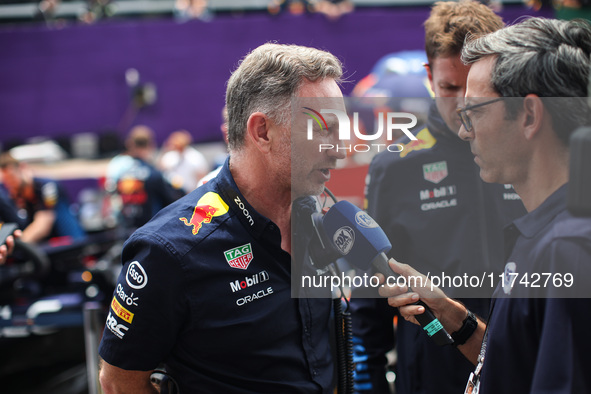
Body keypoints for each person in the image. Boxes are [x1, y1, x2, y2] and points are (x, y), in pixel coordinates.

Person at [98, 43, 346, 393]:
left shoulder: (317, 220)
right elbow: (119, 382)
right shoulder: (171, 251)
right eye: (322, 129)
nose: (340, 148)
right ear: (262, 132)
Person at [381, 17, 591, 393]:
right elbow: (518, 365)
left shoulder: (567, 247)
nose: (464, 130)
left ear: (528, 115)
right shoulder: (545, 233)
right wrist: (452, 316)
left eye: (474, 110)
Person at [349, 2, 526, 393]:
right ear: (429, 77)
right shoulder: (394, 166)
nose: (464, 102)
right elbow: (367, 301)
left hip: (522, 359)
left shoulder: (530, 149)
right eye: (449, 87)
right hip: (434, 372)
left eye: (475, 86)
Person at [104, 125, 182, 230]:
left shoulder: (119, 169)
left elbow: (110, 192)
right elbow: (170, 203)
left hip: (125, 230)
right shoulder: (153, 173)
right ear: (151, 145)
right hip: (149, 231)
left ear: (130, 144)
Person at [0, 152, 86, 244]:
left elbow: (44, 224)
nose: (10, 184)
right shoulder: (17, 195)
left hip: (70, 243)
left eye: (12, 178)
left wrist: (18, 245)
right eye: (7, 181)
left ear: (22, 168)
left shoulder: (48, 186)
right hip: (46, 245)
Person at [157, 129, 210, 193]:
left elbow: (202, 178)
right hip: (172, 194)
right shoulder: (169, 156)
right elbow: (160, 170)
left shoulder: (195, 157)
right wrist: (165, 150)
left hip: (190, 193)